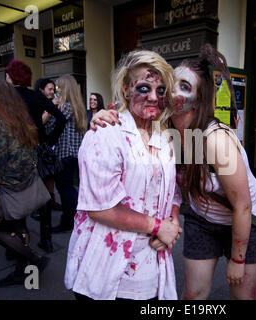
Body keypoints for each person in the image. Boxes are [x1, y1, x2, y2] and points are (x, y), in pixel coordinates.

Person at [90, 44, 256, 300]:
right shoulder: (164, 129)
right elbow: (127, 114)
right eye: (172, 83)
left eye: (185, 87)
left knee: (244, 295)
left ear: (200, 99)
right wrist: (103, 116)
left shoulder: (216, 140)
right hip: (202, 219)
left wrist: (237, 260)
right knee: (193, 295)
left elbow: (243, 206)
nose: (173, 91)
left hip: (241, 222)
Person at [64, 50, 182, 300]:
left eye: (161, 90)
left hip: (151, 263)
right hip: (109, 267)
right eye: (144, 88)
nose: (153, 97)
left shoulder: (164, 136)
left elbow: (172, 191)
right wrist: (159, 226)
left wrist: (172, 222)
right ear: (126, 89)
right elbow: (99, 207)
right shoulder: (106, 133)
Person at [0, 79, 50, 287]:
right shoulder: (20, 120)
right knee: (18, 226)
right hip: (25, 185)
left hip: (8, 190)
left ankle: (34, 260)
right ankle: (27, 275)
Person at [5, 61, 66, 253]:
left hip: (17, 152)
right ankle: (46, 240)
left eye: (7, 75)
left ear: (11, 77)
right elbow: (61, 118)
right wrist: (48, 139)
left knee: (18, 197)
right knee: (45, 196)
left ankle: (17, 246)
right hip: (40, 149)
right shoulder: (36, 96)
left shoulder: (7, 98)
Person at [47, 75, 87, 233]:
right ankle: (77, 216)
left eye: (59, 87)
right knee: (68, 187)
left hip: (65, 152)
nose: (57, 90)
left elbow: (50, 127)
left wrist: (50, 108)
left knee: (65, 188)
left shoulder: (65, 107)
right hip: (75, 152)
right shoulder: (77, 106)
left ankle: (69, 220)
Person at [33, 78, 63, 213]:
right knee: (40, 175)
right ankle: (40, 207)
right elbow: (40, 123)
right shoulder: (36, 101)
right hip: (35, 143)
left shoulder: (49, 102)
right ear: (41, 89)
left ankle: (51, 201)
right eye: (49, 89)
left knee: (50, 174)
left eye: (53, 89)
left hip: (46, 143)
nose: (52, 92)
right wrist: (50, 108)